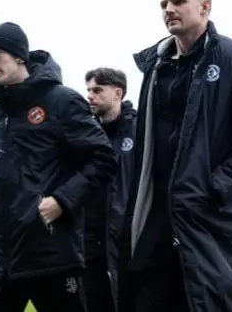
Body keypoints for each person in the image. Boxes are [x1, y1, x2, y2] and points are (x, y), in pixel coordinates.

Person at [129, 0, 232, 312]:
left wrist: (211, 189)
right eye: (164, 4)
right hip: (158, 218)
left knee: (219, 301)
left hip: (213, 215)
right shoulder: (155, 68)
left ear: (205, 7)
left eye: (178, 1)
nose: (169, 9)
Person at [0, 22, 117, 312]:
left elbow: (103, 159)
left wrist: (62, 200)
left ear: (19, 56)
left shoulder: (62, 101)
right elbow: (5, 161)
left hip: (49, 253)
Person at [83, 67, 137, 312]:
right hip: (92, 243)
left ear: (118, 93)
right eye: (88, 90)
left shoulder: (141, 130)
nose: (90, 96)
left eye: (97, 90)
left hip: (129, 240)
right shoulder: (84, 134)